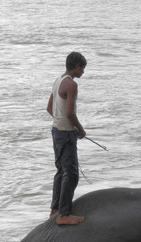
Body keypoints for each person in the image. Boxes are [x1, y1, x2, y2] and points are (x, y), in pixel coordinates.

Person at [46, 52, 87, 225]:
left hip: (56, 130)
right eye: (82, 68)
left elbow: (49, 108)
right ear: (76, 66)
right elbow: (70, 113)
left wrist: (62, 122)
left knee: (60, 171)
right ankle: (63, 214)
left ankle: (55, 209)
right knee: (71, 174)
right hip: (65, 133)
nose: (83, 72)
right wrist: (79, 129)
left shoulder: (58, 80)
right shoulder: (71, 85)